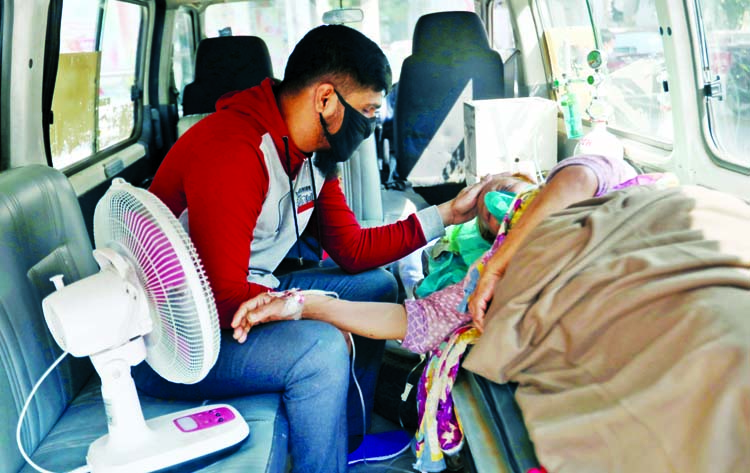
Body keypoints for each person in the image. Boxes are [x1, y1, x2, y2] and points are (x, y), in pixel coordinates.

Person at [136, 24, 482, 473]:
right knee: (321, 349)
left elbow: (352, 249)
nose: (372, 126)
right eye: (368, 111)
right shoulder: (234, 152)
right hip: (179, 340)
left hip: (244, 296)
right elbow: (222, 300)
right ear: (325, 99)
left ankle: (345, 438)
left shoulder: (311, 155)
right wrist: (314, 309)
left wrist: (448, 213)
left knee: (376, 286)